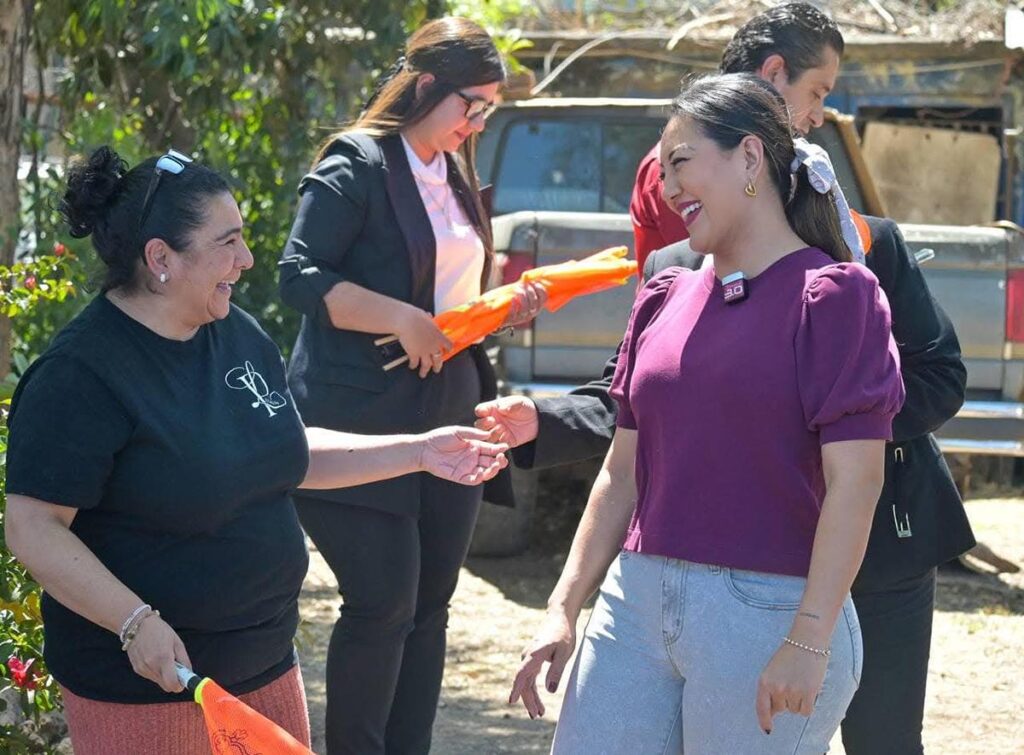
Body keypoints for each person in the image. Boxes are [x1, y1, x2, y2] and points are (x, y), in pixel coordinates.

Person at [478, 6, 975, 752]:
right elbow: (623, 466)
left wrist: (808, 637)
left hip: (769, 601)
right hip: (638, 597)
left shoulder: (838, 293)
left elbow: (858, 478)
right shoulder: (663, 288)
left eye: (680, 163)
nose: (666, 188)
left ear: (749, 159)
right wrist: (563, 605)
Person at [3, 145, 509, 755]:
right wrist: (132, 621)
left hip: (266, 667)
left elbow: (284, 452)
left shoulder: (236, 332)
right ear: (159, 257)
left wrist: (420, 450)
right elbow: (33, 527)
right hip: (153, 691)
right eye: (228, 242)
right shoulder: (81, 374)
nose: (246, 260)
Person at [276, 17, 543, 755]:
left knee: (430, 606)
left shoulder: (453, 171)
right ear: (426, 85)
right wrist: (401, 317)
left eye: (490, 108)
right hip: (359, 417)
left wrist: (503, 304)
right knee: (384, 599)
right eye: (472, 104)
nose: (479, 121)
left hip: (451, 406)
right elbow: (297, 275)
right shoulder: (356, 162)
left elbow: (450, 297)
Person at [629, 2, 843, 270]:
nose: (818, 117)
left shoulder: (830, 289)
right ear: (774, 72)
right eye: (816, 93)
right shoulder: (678, 172)